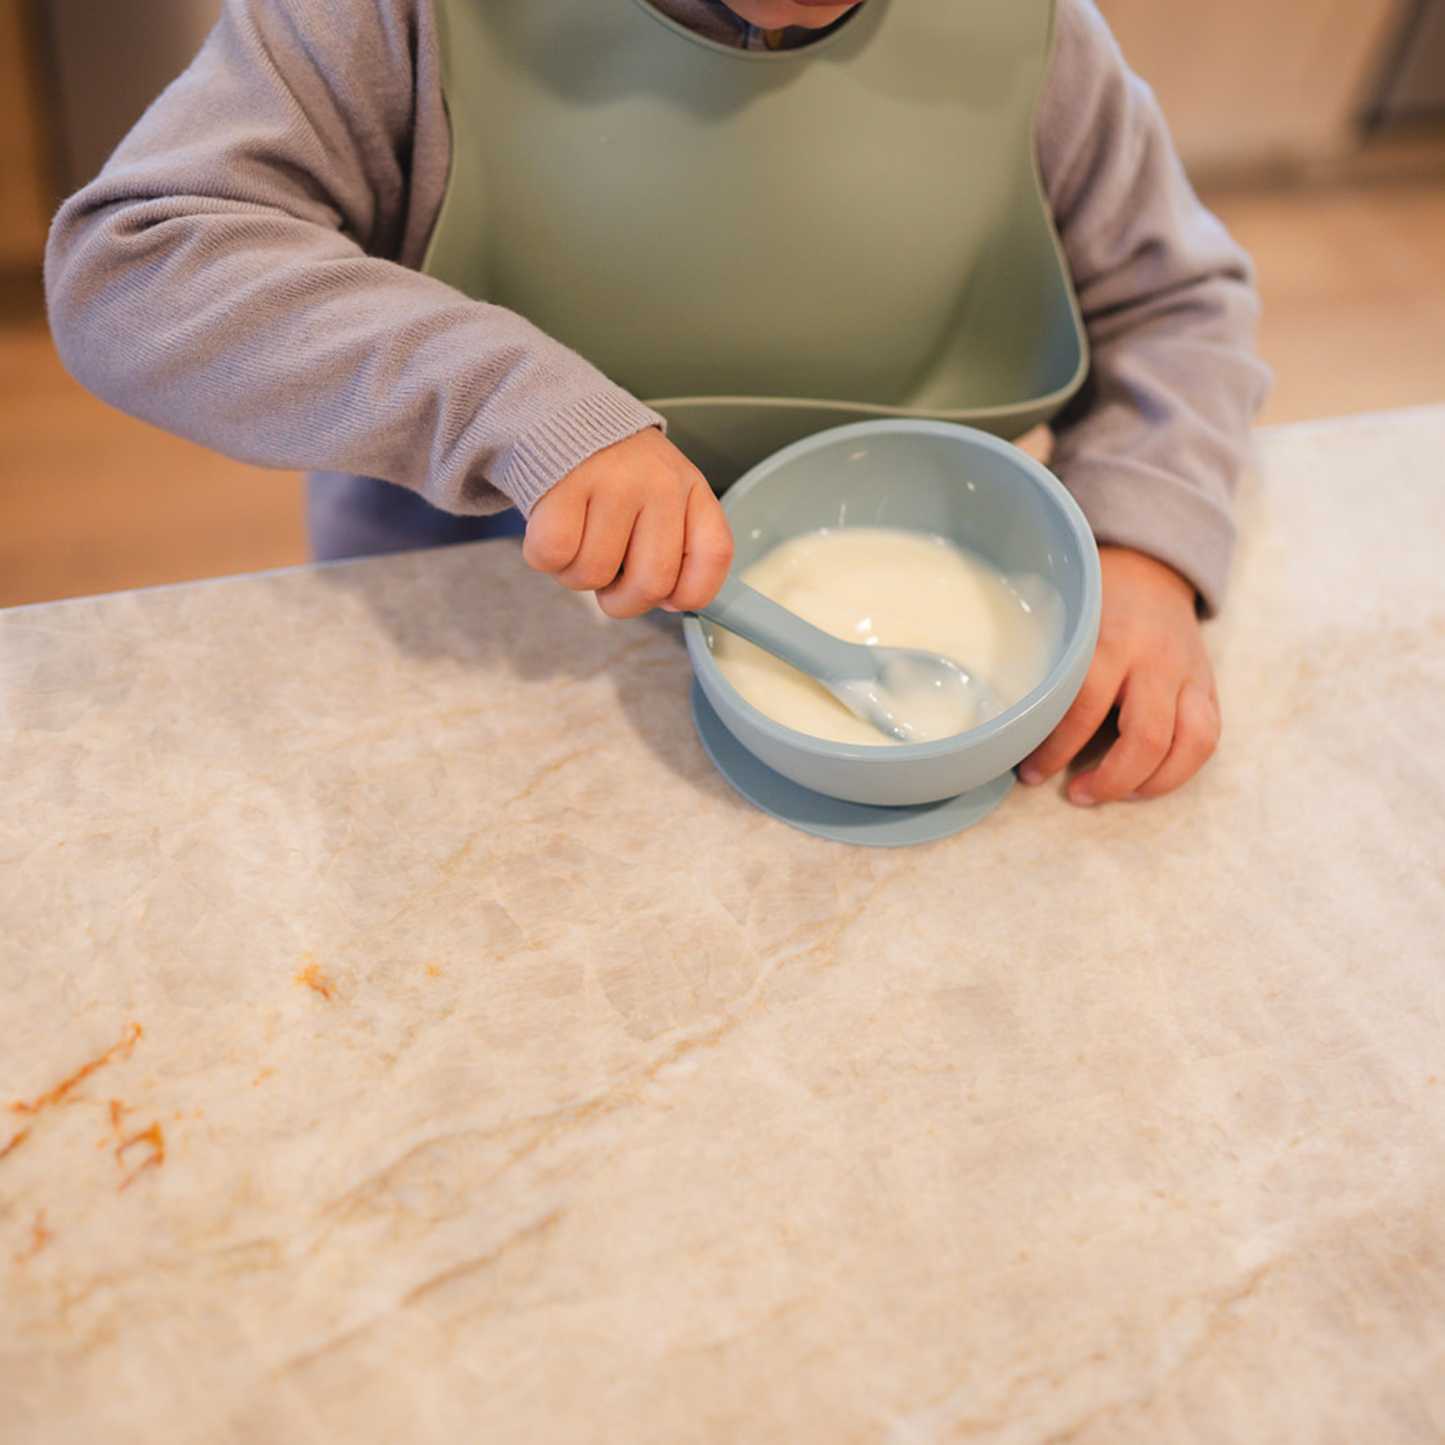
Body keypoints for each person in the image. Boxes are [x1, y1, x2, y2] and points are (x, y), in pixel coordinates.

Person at [44, 0, 1269, 806]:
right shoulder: (386, 20)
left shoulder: (1036, 40)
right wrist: (510, 400)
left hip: (923, 639)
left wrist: (1144, 546)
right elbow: (135, 262)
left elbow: (1178, 305)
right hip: (489, 640)